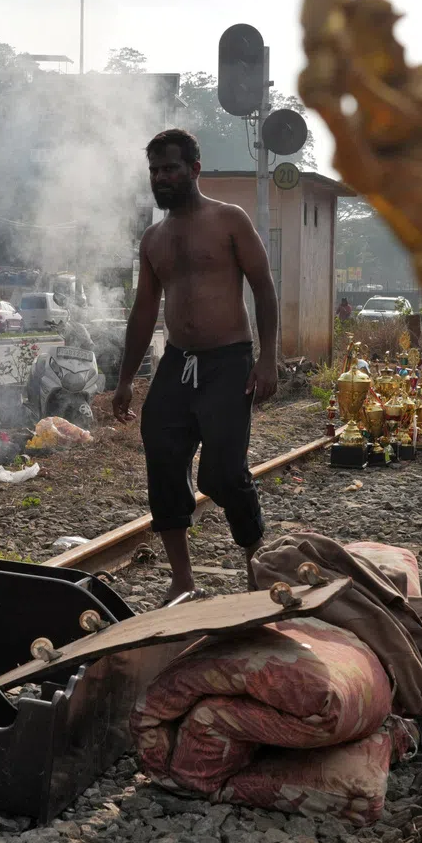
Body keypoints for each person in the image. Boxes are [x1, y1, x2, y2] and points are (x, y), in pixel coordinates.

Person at [113, 128, 279, 601]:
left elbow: (263, 287)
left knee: (222, 476)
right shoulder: (154, 239)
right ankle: (183, 579)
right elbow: (144, 311)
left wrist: (267, 359)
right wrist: (126, 379)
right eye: (154, 171)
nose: (161, 178)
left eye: (170, 168)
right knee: (163, 462)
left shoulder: (229, 220)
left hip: (228, 361)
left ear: (194, 170)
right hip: (177, 363)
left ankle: (256, 564)